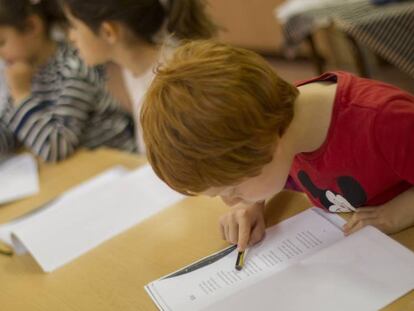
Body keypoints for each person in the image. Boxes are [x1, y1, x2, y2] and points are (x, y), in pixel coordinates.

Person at [140, 40, 414, 251]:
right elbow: (270, 173)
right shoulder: (275, 123)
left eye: (232, 189)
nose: (229, 201)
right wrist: (251, 204)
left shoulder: (383, 121)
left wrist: (398, 212)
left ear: (266, 146)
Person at [61, 0, 218, 152]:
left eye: (74, 26)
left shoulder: (172, 79)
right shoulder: (132, 69)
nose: (71, 37)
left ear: (109, 32)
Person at [0, 0, 136, 162]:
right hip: (81, 169)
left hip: (117, 165)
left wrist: (21, 95)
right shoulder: (24, 72)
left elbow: (56, 148)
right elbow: (12, 132)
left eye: (1, 43)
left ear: (32, 27)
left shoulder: (73, 68)